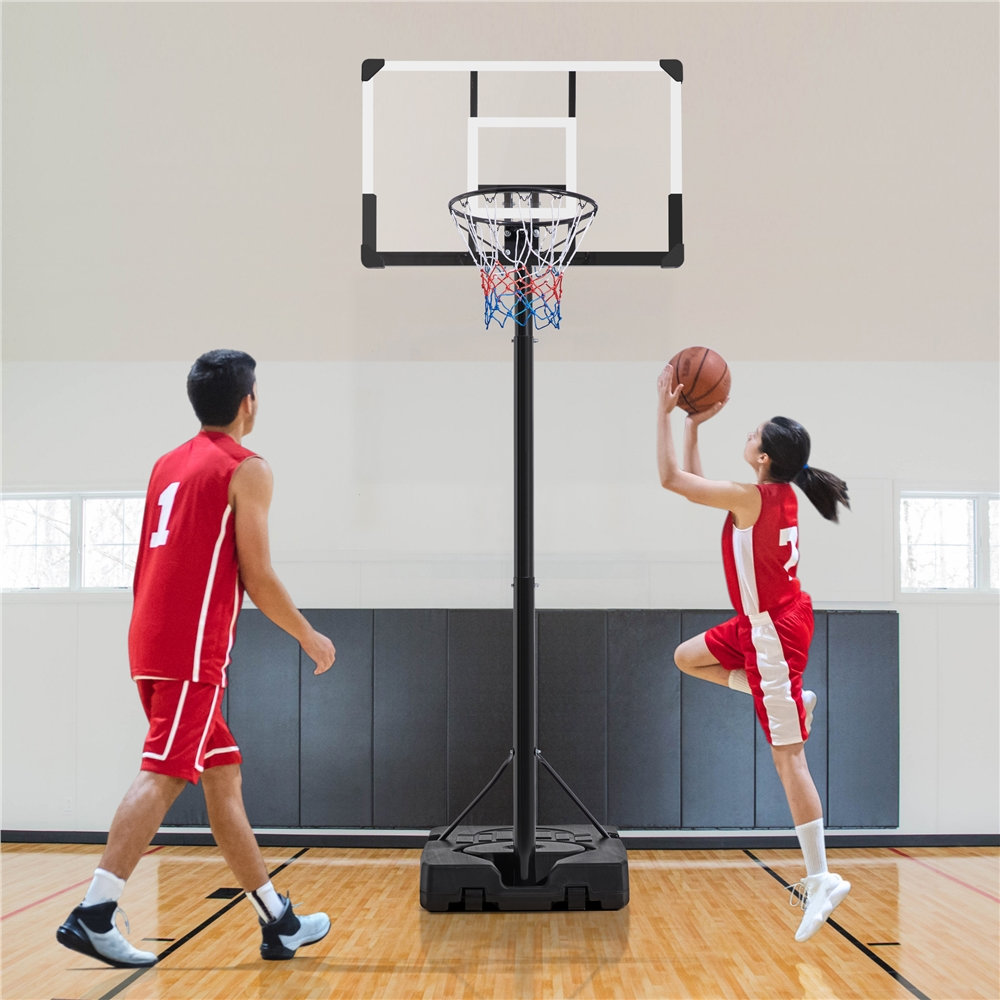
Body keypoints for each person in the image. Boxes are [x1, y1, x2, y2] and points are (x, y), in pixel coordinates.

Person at [57, 350, 337, 967]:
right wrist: (309, 636)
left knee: (222, 775)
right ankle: (95, 911)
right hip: (190, 649)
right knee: (163, 770)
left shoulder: (167, 464)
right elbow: (258, 578)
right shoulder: (248, 468)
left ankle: (277, 919)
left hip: (149, 640)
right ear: (249, 403)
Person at [656, 363, 851, 942]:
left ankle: (821, 878)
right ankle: (791, 701)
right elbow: (694, 479)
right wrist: (694, 426)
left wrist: (662, 412)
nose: (745, 435)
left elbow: (672, 480)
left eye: (750, 433)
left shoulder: (753, 499)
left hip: (771, 636)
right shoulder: (774, 495)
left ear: (763, 457)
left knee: (788, 759)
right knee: (687, 656)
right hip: (764, 622)